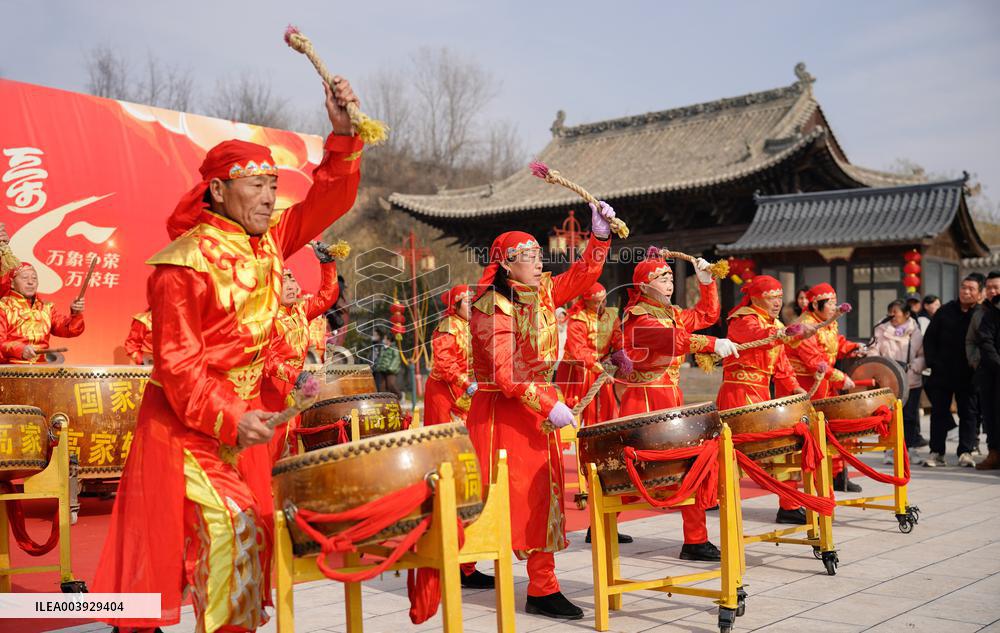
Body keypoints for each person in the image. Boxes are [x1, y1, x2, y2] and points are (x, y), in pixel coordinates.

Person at [92, 77, 364, 632]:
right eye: (255, 186)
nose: (268, 197)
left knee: (255, 525)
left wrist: (341, 137)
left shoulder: (265, 241)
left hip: (242, 429)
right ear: (217, 191)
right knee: (232, 522)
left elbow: (326, 200)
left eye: (272, 185)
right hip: (186, 429)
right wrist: (235, 417)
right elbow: (178, 366)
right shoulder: (183, 265)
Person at [467, 200, 616, 620]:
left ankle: (541, 586)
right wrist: (549, 404)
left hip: (537, 409)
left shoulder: (546, 293)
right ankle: (463, 563)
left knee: (545, 495)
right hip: (504, 411)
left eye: (537, 254)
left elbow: (584, 274)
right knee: (508, 496)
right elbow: (506, 371)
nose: (536, 262)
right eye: (526, 257)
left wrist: (599, 237)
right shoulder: (491, 306)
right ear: (505, 265)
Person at [619, 249, 738, 561]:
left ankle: (695, 539)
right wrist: (713, 343)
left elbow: (706, 316)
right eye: (661, 278)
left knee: (690, 464)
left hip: (670, 401)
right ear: (643, 286)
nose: (669, 283)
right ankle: (603, 521)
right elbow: (671, 339)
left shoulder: (669, 313)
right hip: (644, 405)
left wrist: (707, 282)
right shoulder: (638, 319)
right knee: (642, 470)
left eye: (670, 276)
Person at [716, 275, 808, 524]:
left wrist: (794, 386)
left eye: (779, 297)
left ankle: (789, 503)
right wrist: (785, 330)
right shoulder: (741, 319)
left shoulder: (774, 323)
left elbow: (781, 363)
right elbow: (757, 335)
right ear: (756, 297)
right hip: (739, 393)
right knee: (736, 449)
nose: (777, 302)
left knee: (780, 446)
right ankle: (717, 496)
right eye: (771, 297)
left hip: (761, 393)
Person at [778, 283, 862, 492]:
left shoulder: (826, 321)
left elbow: (835, 344)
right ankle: (819, 478)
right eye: (830, 303)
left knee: (832, 429)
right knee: (817, 433)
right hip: (807, 386)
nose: (834, 307)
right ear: (815, 304)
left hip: (823, 382)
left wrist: (853, 347)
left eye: (835, 303)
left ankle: (836, 475)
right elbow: (814, 360)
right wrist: (841, 378)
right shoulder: (805, 326)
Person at [261, 242, 341, 461]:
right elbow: (266, 359)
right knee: (272, 447)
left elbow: (327, 296)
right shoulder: (265, 317)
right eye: (282, 281)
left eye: (292, 280)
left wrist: (327, 263)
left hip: (294, 389)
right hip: (269, 392)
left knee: (293, 443)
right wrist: (297, 376)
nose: (289, 285)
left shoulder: (300, 310)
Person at [923, 273, 983, 468]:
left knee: (968, 413)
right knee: (939, 413)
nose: (966, 291)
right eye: (963, 287)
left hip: (969, 373)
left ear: (979, 293)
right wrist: (933, 363)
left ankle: (966, 451)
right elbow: (929, 339)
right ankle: (936, 452)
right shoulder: (945, 311)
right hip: (943, 372)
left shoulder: (982, 314)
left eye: (971, 289)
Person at [555, 282, 624, 427]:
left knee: (605, 408)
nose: (601, 305)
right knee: (577, 408)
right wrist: (601, 370)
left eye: (604, 301)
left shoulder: (611, 315)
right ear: (586, 302)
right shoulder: (578, 320)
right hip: (578, 370)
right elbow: (580, 351)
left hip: (602, 367)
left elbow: (619, 341)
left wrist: (626, 357)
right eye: (596, 303)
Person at [0, 261, 85, 364]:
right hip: (10, 371)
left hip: (40, 370)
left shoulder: (45, 307)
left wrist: (75, 315)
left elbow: (69, 330)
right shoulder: (4, 307)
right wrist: (20, 349)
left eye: (34, 278)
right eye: (25, 278)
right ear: (12, 283)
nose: (31, 282)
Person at [869, 300, 927, 449]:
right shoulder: (881, 329)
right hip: (887, 381)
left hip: (910, 379)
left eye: (895, 312)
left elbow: (922, 355)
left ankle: (909, 448)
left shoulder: (915, 330)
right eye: (890, 312)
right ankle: (889, 449)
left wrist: (914, 367)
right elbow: (873, 350)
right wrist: (880, 369)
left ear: (907, 314)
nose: (892, 315)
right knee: (888, 416)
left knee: (909, 416)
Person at [424, 284, 476, 426]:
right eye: (467, 302)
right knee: (446, 434)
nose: (472, 306)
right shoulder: (448, 327)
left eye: (473, 301)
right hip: (443, 389)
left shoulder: (472, 326)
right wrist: (467, 383)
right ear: (456, 305)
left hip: (465, 388)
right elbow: (444, 363)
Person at [967, 272, 1000, 456]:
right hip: (987, 370)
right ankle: (993, 453)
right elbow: (972, 340)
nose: (992, 291)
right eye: (989, 288)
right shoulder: (981, 313)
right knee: (989, 414)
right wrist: (975, 361)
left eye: (996, 287)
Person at [975, 290, 1000, 469]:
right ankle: (994, 453)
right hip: (993, 374)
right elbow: (985, 341)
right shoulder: (992, 314)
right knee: (992, 415)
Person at [373, 327, 403, 397]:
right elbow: (380, 359)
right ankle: (385, 400)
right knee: (381, 387)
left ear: (389, 340)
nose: (383, 340)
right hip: (382, 370)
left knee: (391, 385)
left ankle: (400, 396)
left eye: (385, 339)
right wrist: (378, 367)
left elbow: (396, 359)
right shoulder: (383, 348)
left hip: (390, 370)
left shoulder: (394, 349)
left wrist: (390, 368)